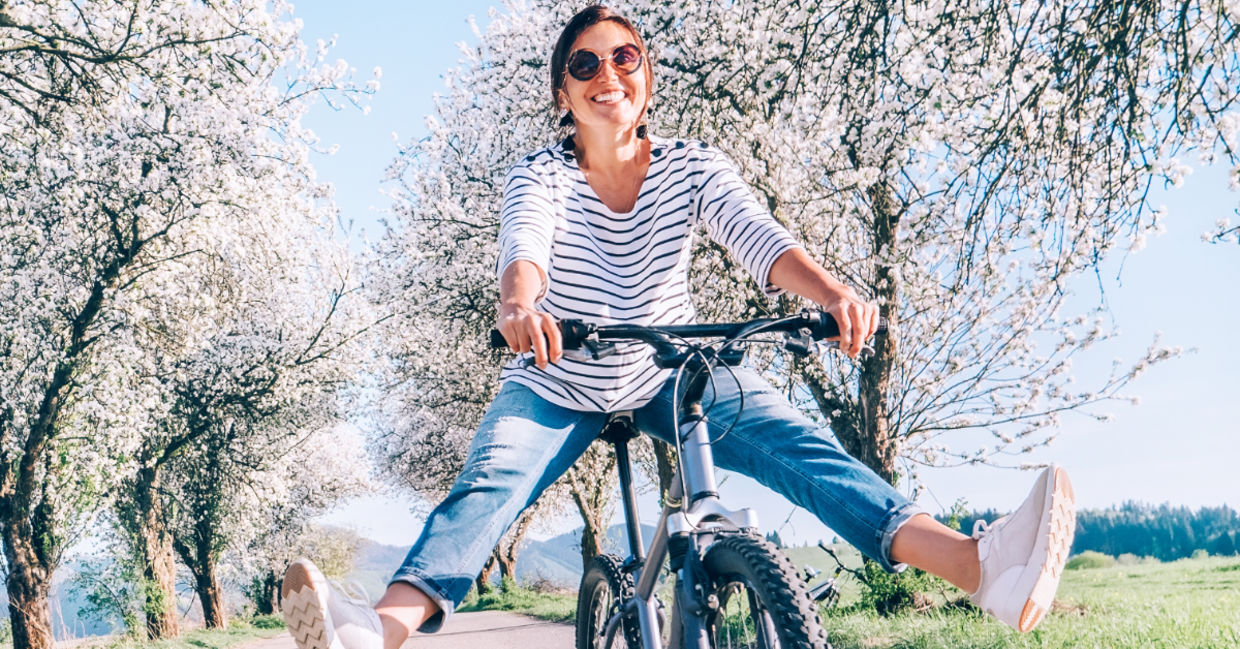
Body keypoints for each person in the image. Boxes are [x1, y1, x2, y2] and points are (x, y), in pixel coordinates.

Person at [280, 6, 1077, 649]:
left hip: (671, 370)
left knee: (806, 452)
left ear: (646, 78)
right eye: (584, 65)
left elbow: (760, 238)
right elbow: (525, 250)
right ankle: (376, 630)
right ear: (564, 93)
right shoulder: (542, 175)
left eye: (624, 58)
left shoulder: (694, 166)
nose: (606, 75)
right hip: (560, 374)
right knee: (489, 484)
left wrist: (833, 293)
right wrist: (520, 308)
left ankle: (980, 566)